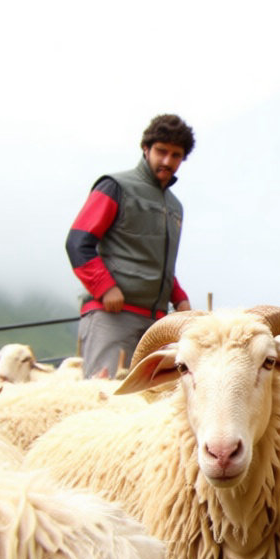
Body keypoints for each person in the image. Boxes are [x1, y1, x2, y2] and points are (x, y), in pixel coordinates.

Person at [66, 114, 195, 379]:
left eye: (176, 155)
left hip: (157, 324)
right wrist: (104, 287)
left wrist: (179, 297)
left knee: (150, 405)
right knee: (105, 400)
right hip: (112, 317)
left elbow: (158, 262)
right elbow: (78, 243)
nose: (168, 161)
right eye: (161, 151)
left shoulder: (174, 206)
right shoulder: (115, 187)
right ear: (145, 149)